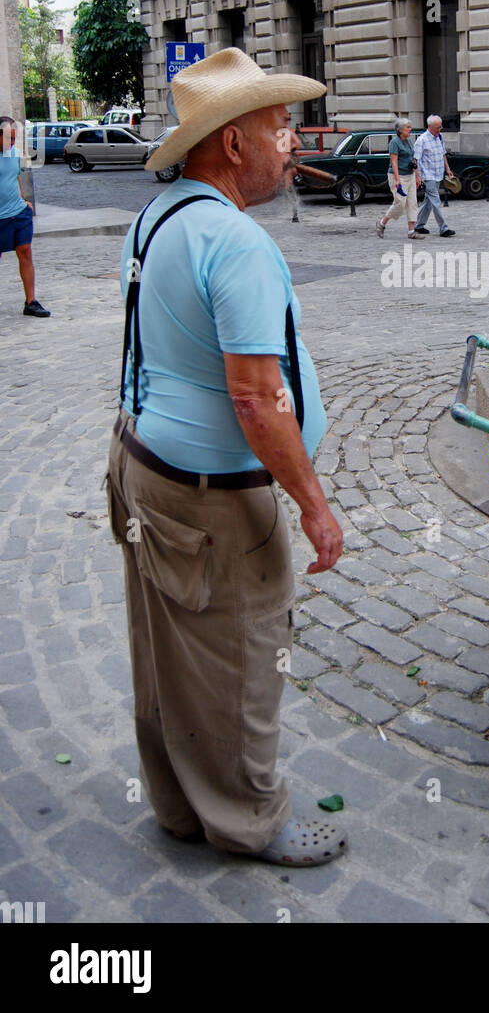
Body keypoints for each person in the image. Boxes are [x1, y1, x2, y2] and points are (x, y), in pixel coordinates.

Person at [105, 48, 347, 868]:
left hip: (145, 465)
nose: (294, 142)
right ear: (235, 144)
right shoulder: (236, 242)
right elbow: (254, 398)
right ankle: (249, 818)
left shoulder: (162, 215)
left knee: (166, 650)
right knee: (243, 652)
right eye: (280, 127)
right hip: (209, 495)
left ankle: (179, 804)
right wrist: (313, 504)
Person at [0, 116, 50, 318]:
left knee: (25, 251)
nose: (11, 143)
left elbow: (15, 178)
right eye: (8, 139)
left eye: (14, 138)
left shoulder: (14, 154)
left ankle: (31, 302)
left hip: (18, 214)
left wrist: (24, 201)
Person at [376, 118, 423, 239]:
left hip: (410, 175)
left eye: (410, 127)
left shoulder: (408, 141)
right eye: (408, 127)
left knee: (412, 203)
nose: (410, 129)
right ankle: (382, 223)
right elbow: (394, 162)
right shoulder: (394, 143)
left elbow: (413, 160)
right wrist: (397, 180)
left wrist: (417, 176)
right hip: (398, 176)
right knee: (400, 203)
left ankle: (411, 231)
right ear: (400, 130)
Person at [412, 114, 456, 238]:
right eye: (437, 127)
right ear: (429, 126)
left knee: (428, 201)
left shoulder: (439, 137)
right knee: (436, 201)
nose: (439, 129)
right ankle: (443, 228)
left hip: (438, 173)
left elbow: (443, 154)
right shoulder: (422, 140)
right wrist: (418, 177)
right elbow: (415, 160)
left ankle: (418, 225)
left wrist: (448, 169)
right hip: (428, 175)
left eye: (440, 127)